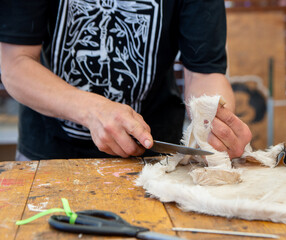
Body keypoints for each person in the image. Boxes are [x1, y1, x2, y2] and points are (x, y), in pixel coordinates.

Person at [0, 0, 252, 161]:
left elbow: (204, 71)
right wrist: (92, 110)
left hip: (152, 160)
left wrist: (212, 124)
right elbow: (15, 63)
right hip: (49, 156)